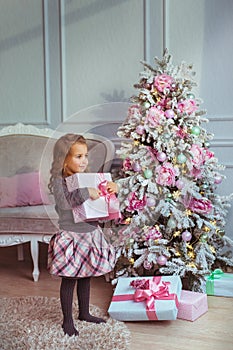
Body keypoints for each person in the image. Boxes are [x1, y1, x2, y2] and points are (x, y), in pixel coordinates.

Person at [47, 133, 118, 337]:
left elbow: (101, 205)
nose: (84, 160)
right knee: (70, 279)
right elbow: (64, 203)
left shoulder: (88, 178)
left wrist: (112, 190)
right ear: (64, 159)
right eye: (78, 156)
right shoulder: (60, 181)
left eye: (85, 155)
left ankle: (84, 313)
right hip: (72, 236)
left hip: (90, 234)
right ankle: (67, 320)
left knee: (86, 277)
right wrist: (87, 192)